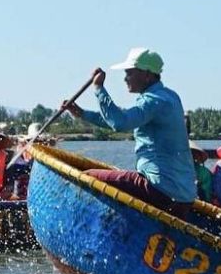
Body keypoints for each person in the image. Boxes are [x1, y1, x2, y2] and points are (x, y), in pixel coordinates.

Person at [64, 48, 195, 217]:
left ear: (147, 75)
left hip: (159, 190)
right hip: (183, 197)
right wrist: (82, 114)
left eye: (130, 73)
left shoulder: (154, 100)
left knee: (85, 177)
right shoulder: (169, 96)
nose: (125, 78)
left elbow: (120, 123)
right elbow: (122, 119)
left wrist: (98, 88)